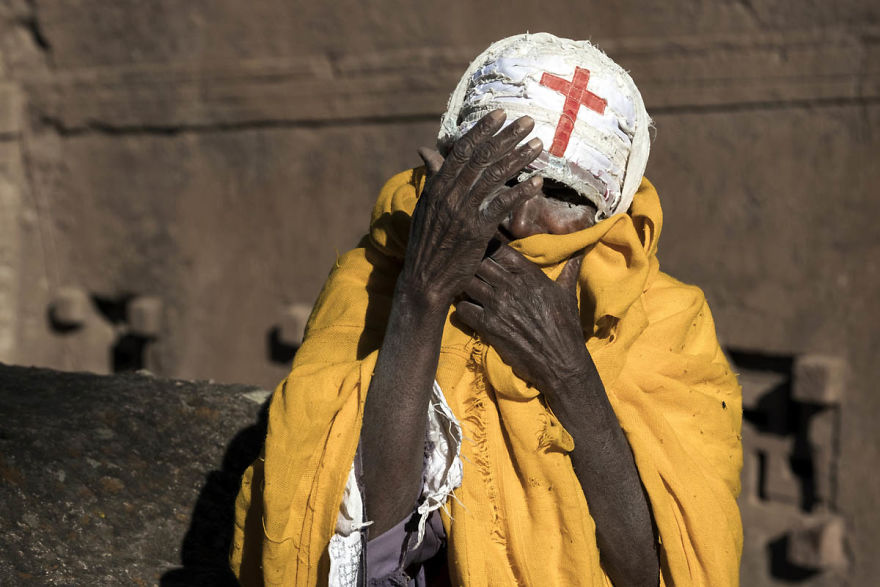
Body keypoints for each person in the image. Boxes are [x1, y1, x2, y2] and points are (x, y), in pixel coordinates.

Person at [230, 33, 743, 586]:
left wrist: (566, 368)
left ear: (608, 212)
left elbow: (649, 572)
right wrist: (422, 295)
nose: (521, 221)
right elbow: (360, 544)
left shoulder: (663, 320)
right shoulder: (381, 273)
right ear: (449, 170)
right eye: (506, 177)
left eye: (564, 195)